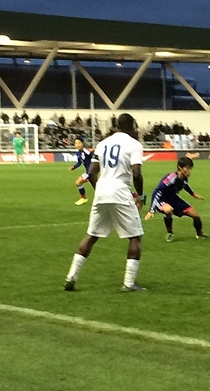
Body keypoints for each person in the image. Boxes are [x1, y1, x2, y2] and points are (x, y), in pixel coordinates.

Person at [64, 113, 145, 292]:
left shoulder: (103, 143)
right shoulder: (134, 145)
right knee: (135, 236)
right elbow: (137, 173)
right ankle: (129, 283)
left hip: (101, 192)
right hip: (121, 192)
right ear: (132, 126)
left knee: (92, 235)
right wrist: (140, 195)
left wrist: (100, 189)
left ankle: (71, 277)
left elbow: (92, 172)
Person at [145, 156, 207, 242]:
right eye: (187, 168)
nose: (189, 171)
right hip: (161, 200)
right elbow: (157, 191)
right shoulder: (171, 178)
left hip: (174, 199)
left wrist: (193, 194)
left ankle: (199, 234)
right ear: (180, 168)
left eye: (190, 169)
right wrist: (152, 210)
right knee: (168, 210)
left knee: (196, 215)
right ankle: (169, 233)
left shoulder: (184, 178)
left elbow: (184, 185)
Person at [69, 137, 93, 205]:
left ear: (82, 143)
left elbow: (92, 154)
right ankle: (83, 198)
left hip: (91, 172)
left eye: (79, 143)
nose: (78, 145)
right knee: (78, 183)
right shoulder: (78, 153)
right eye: (76, 143)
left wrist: (93, 151)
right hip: (88, 172)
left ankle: (83, 198)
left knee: (78, 182)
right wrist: (74, 167)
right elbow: (79, 163)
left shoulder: (86, 151)